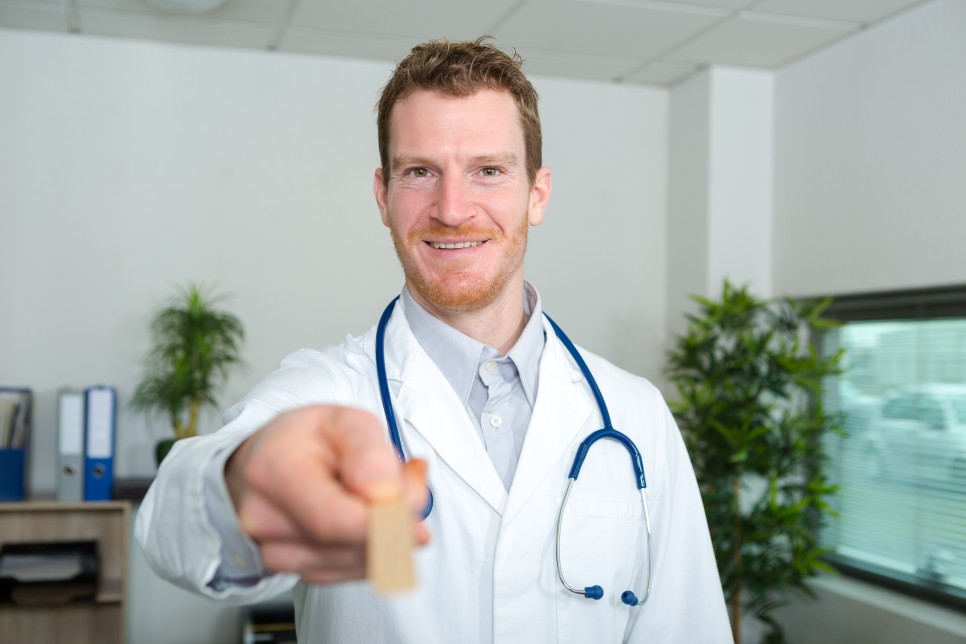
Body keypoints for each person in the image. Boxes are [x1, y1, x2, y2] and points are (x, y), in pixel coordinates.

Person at [135, 37, 731, 643]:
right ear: (383, 196)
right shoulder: (325, 393)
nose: (451, 208)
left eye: (488, 171)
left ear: (537, 194)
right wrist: (240, 487)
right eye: (420, 172)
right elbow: (171, 522)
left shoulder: (634, 415)